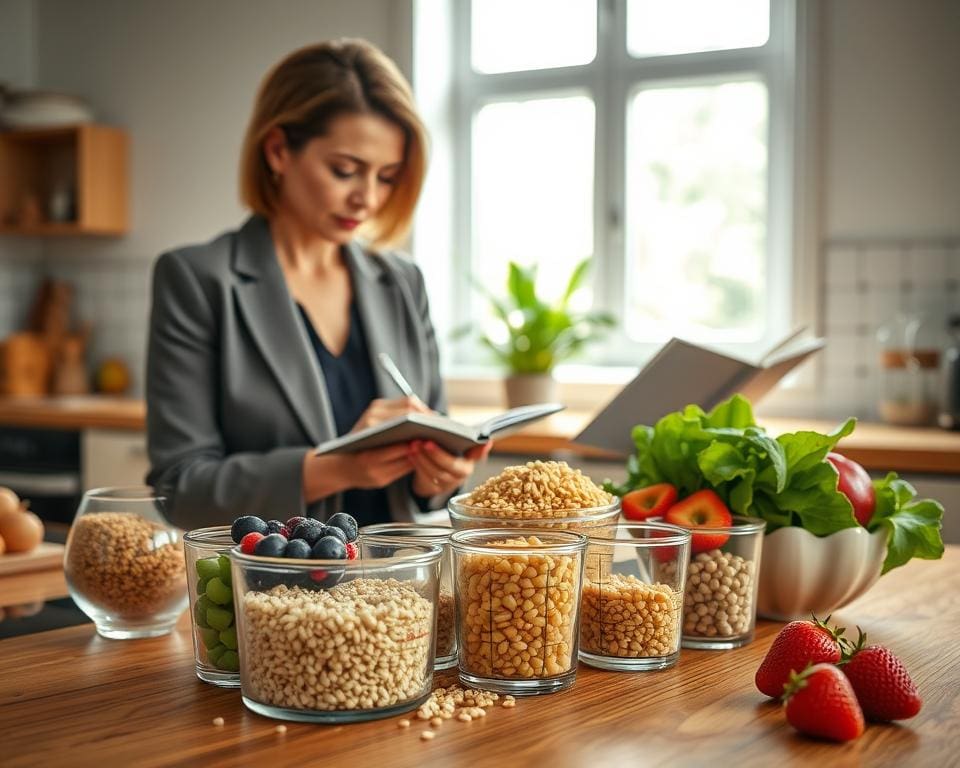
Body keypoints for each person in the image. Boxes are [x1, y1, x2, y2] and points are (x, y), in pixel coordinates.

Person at [146, 39, 489, 530]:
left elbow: (433, 485)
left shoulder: (402, 282)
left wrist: (441, 474)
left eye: (387, 177)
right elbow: (180, 491)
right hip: (274, 577)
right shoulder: (197, 280)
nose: (367, 199)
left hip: (396, 575)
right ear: (278, 151)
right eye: (345, 171)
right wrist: (335, 467)